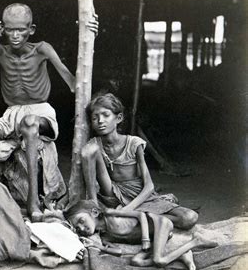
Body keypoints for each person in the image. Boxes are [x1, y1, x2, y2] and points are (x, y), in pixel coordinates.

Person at [0, 3, 98, 221]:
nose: (15, 35)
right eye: (10, 29)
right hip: (10, 115)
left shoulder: (42, 49)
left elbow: (74, 83)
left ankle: (33, 202)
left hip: (40, 113)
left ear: (32, 29)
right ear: (3, 29)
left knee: (29, 122)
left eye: (21, 29)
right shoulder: (0, 51)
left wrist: (90, 34)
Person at [80, 93, 199, 230]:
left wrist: (127, 210)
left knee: (189, 217)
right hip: (112, 195)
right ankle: (133, 219)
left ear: (119, 118)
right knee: (90, 150)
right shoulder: (94, 145)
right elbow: (90, 177)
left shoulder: (134, 143)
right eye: (95, 117)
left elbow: (149, 186)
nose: (100, 120)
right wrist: (93, 207)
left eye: (106, 115)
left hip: (139, 196)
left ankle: (137, 219)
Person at [65, 199, 217, 270]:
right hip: (152, 238)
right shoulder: (105, 236)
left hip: (160, 224)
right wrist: (97, 246)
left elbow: (141, 215)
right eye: (78, 228)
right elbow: (119, 252)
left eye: (81, 220)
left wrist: (144, 238)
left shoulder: (111, 215)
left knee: (158, 260)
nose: (81, 228)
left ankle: (195, 241)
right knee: (136, 261)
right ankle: (181, 253)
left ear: (94, 212)